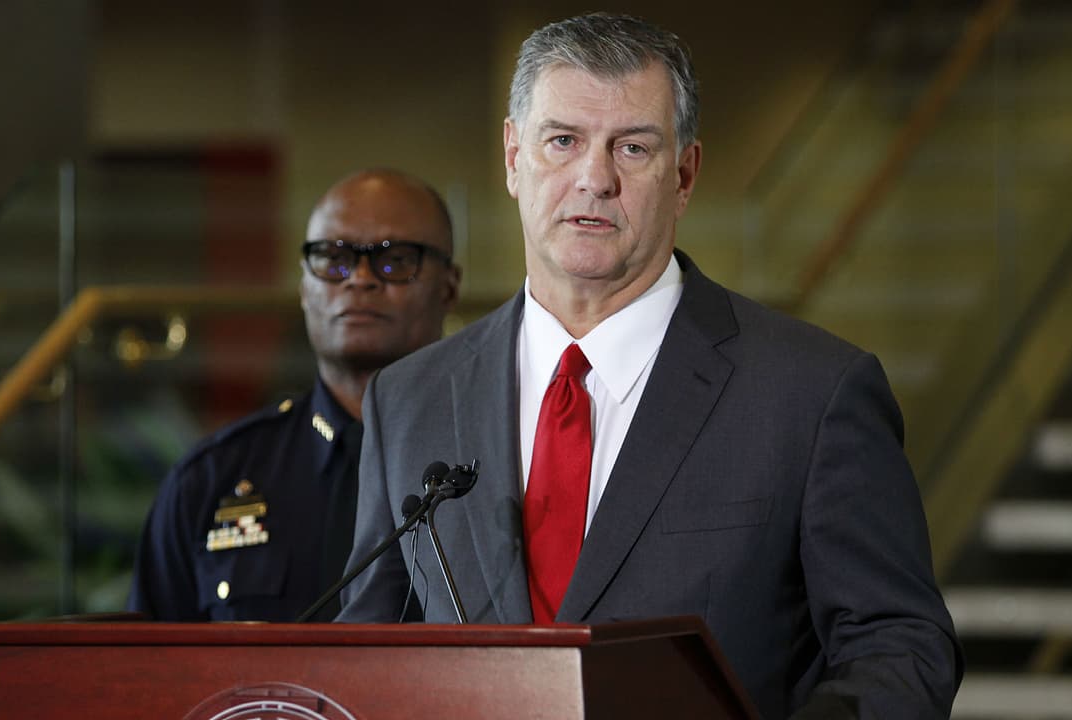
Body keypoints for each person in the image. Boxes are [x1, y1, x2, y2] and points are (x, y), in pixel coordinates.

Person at [336, 14, 962, 719]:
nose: (594, 178)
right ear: (513, 157)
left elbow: (901, 650)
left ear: (684, 175)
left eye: (632, 148)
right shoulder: (410, 398)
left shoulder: (813, 394)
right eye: (563, 141)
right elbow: (365, 657)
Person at [128, 168, 461, 622]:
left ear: (449, 287)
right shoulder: (214, 479)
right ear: (305, 287)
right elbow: (149, 661)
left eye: (396, 260)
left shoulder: (489, 460)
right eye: (333, 259)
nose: (359, 278)